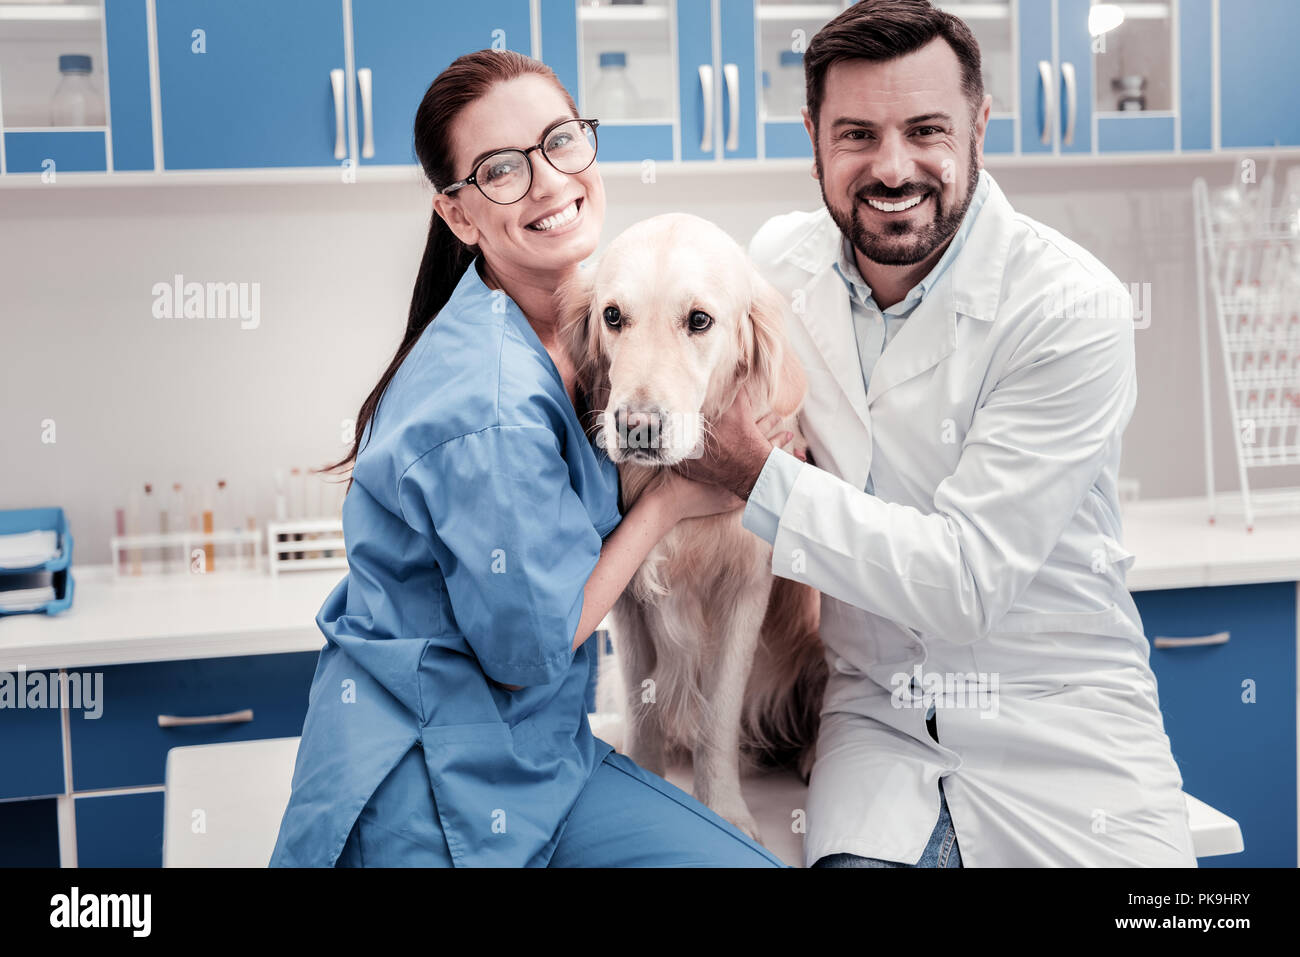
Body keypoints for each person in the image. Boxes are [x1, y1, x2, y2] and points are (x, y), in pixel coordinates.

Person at [677, 0, 1197, 867]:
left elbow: (965, 579)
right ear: (812, 137)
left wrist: (763, 473)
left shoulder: (1071, 305)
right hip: (877, 722)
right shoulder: (775, 269)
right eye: (855, 134)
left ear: (978, 124)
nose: (892, 167)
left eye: (926, 129)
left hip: (1062, 727)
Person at [269, 49, 787, 868]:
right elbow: (529, 650)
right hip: (431, 788)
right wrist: (668, 504)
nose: (548, 181)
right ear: (460, 215)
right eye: (502, 170)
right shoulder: (493, 405)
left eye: (561, 141)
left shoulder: (578, 325)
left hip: (536, 756)